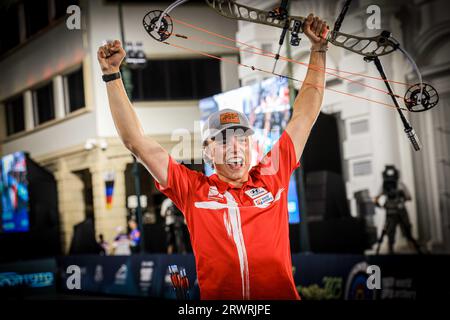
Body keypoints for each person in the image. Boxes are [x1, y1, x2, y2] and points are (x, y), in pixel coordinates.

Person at [98, 14, 328, 299]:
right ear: (207, 152)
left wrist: (318, 51)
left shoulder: (272, 175)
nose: (234, 146)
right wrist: (111, 75)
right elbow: (136, 142)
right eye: (223, 139)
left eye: (241, 139)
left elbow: (304, 115)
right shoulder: (193, 190)